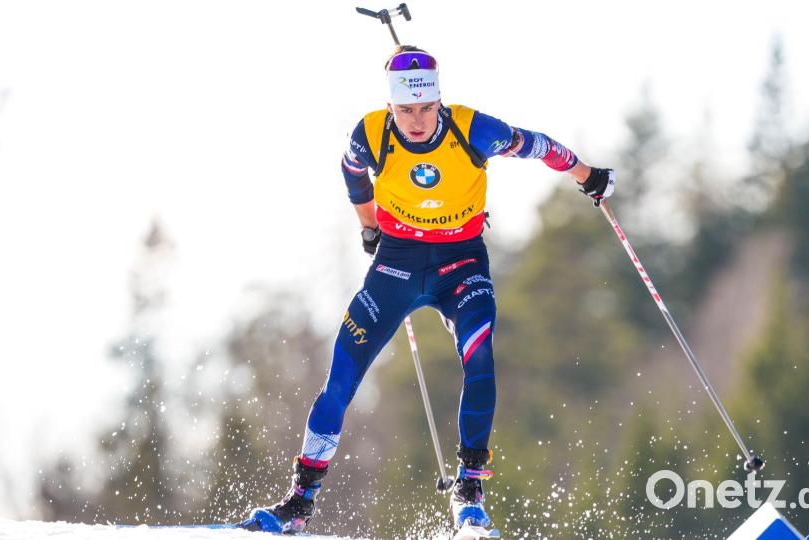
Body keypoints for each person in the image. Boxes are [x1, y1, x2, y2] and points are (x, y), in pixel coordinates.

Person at [239, 45, 616, 535]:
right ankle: (299, 501)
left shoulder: (472, 129)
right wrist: (369, 225)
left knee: (479, 358)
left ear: (439, 101)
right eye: (405, 110)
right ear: (391, 106)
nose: (415, 121)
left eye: (424, 109)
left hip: (461, 266)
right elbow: (352, 173)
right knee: (340, 377)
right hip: (395, 266)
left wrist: (588, 176)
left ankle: (470, 489)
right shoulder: (371, 133)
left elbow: (538, 145)